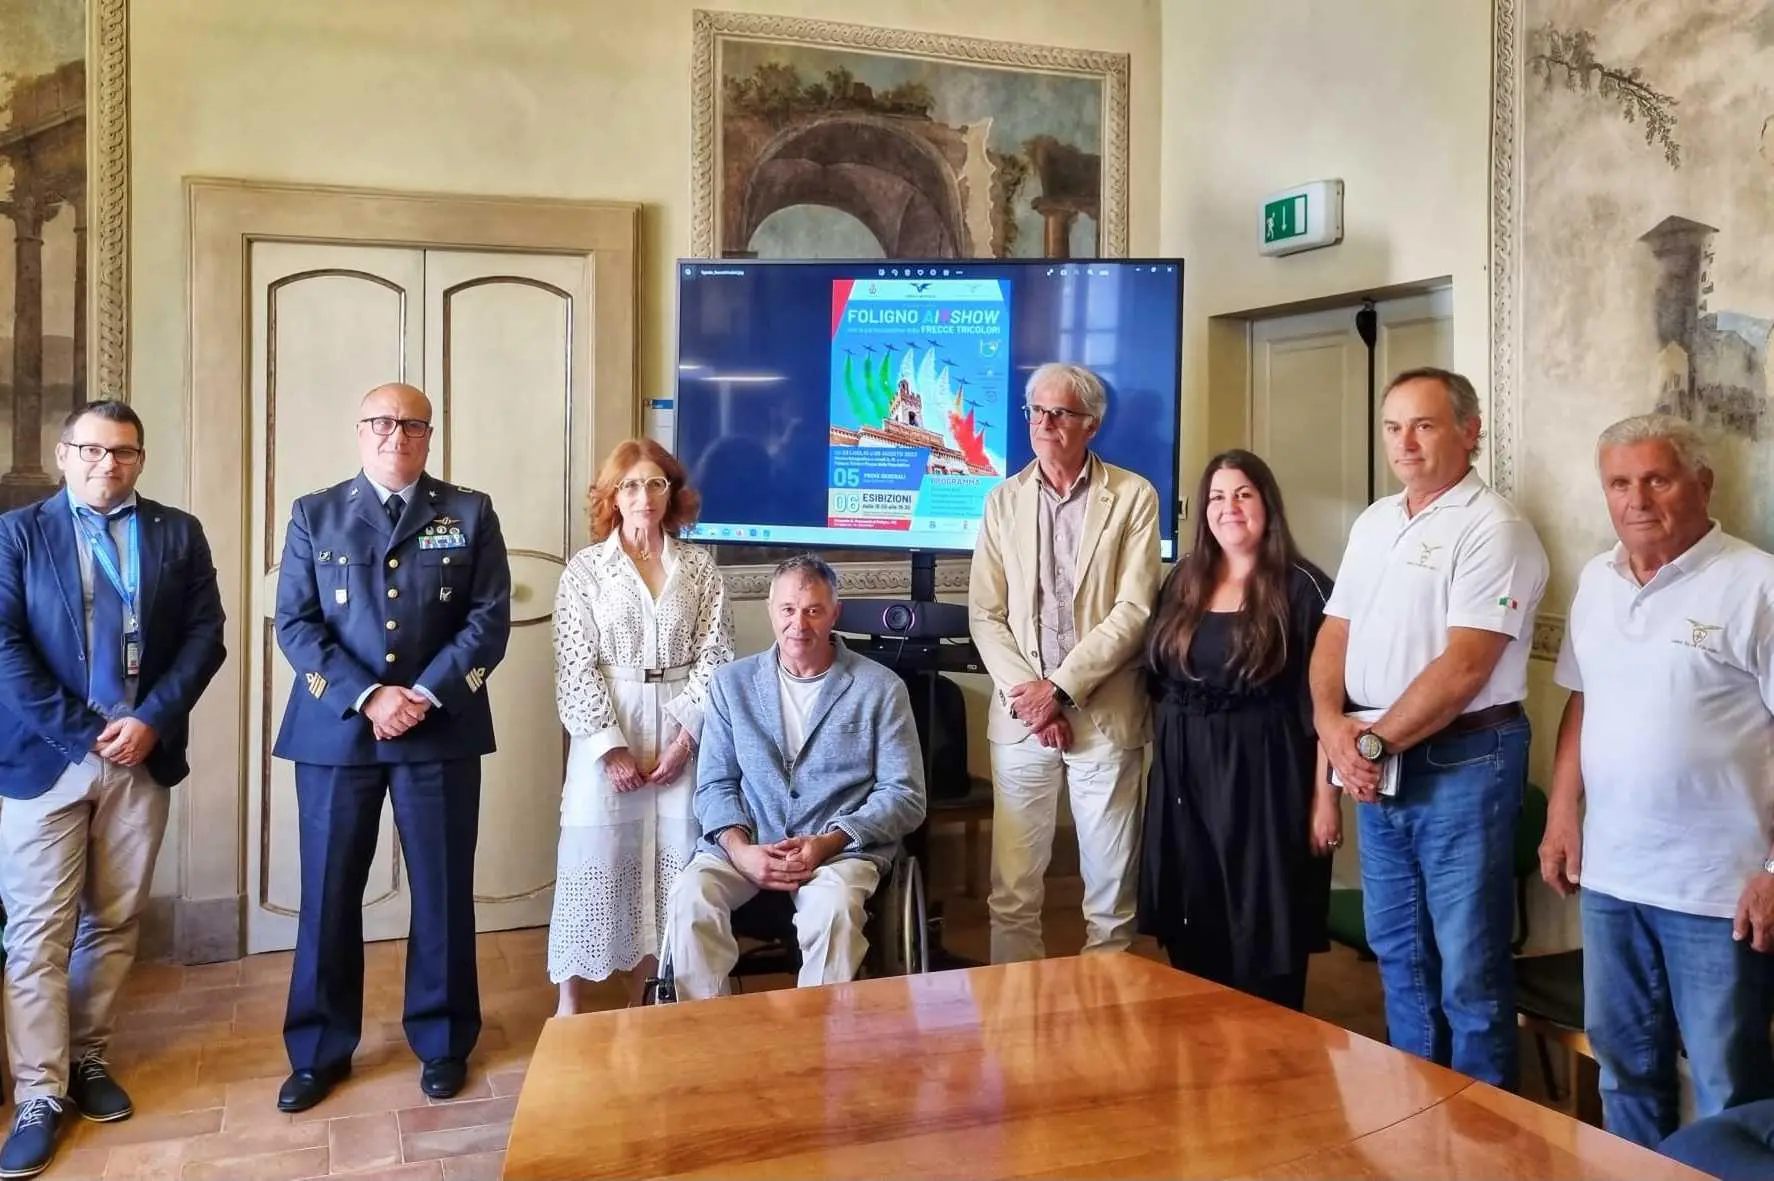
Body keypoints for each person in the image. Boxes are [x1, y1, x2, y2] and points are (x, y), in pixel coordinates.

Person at [0, 401, 226, 1179]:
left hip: (141, 756)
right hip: (44, 759)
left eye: (124, 451)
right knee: (36, 933)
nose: (108, 464)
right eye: (92, 450)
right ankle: (38, 1092)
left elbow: (207, 633)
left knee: (115, 920)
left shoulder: (176, 532)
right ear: (64, 454)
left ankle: (88, 1059)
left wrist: (154, 719)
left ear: (141, 458)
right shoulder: (17, 534)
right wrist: (80, 730)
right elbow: (3, 643)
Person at [271, 382, 511, 1112]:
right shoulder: (315, 513)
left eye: (410, 424)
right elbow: (295, 623)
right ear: (359, 431)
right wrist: (370, 695)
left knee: (441, 891)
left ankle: (442, 1041)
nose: (394, 435)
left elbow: (488, 618)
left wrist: (425, 694)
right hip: (338, 730)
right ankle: (317, 1050)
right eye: (381, 422)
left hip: (438, 725)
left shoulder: (468, 511)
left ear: (429, 435)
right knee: (329, 892)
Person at [1308, 366, 1548, 1089]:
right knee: (1399, 953)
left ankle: (1480, 1141)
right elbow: (1334, 633)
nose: (1404, 442)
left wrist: (1368, 745)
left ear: (1470, 432)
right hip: (1376, 757)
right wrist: (1329, 725)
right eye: (1393, 426)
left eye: (1424, 424)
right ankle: (1412, 1123)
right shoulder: (1376, 520)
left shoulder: (1493, 526)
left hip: (1464, 760)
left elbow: (1465, 667)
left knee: (1468, 968)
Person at [1540, 413, 1774, 1147]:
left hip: (1717, 892)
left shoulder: (1755, 582)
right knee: (1625, 1070)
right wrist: (1561, 812)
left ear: (1700, 484)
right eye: (1619, 482)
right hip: (1612, 880)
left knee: (1727, 1086)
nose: (1636, 498)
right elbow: (1583, 701)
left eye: (1657, 478)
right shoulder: (1595, 579)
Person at [662, 555, 925, 1000]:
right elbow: (714, 785)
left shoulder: (880, 688)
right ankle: (704, 1037)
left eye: (813, 610)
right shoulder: (730, 684)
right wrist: (740, 850)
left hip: (839, 851)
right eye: (787, 609)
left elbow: (905, 795)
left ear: (834, 614)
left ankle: (816, 1049)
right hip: (748, 845)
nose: (798, 624)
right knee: (690, 899)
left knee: (834, 910)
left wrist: (830, 841)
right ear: (770, 611)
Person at [969, 362, 1160, 963]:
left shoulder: (1133, 496)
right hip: (1022, 716)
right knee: (1014, 893)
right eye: (1036, 412)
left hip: (1104, 716)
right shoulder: (1002, 500)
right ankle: (1014, 1030)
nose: (1045, 424)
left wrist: (1062, 689)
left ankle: (1104, 1033)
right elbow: (985, 615)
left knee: (1109, 898)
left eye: (1061, 413)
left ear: (1092, 425)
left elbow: (1134, 610)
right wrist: (1035, 696)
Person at [1139, 451, 1338, 1011]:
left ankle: (1268, 1063)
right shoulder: (1183, 581)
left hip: (1268, 781)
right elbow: (1157, 679)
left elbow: (1325, 705)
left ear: (1267, 505)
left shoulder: (1304, 589)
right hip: (1185, 779)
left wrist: (1326, 800)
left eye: (1243, 494)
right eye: (1217, 497)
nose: (1230, 508)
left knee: (1262, 933)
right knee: (1191, 921)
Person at [549, 440, 732, 1013]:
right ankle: (571, 1001)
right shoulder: (586, 570)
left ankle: (652, 993)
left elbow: (718, 652)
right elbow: (573, 663)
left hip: (681, 721)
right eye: (630, 485)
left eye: (656, 484)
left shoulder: (699, 566)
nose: (644, 496)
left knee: (677, 853)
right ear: (612, 496)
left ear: (672, 493)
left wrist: (685, 741)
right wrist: (611, 750)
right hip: (612, 721)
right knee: (595, 851)